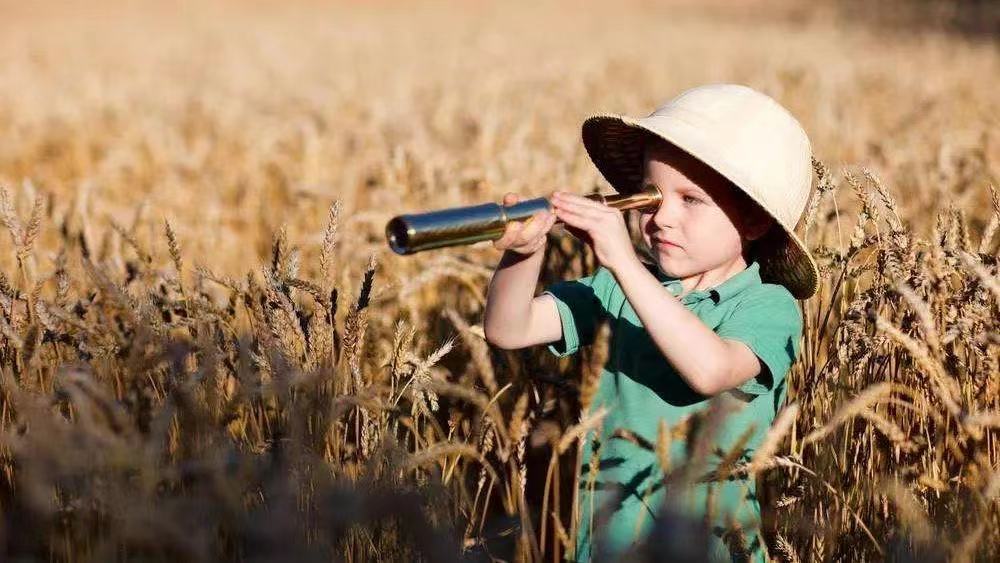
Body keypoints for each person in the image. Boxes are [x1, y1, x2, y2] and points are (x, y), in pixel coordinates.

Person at [483, 83, 819, 562]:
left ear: (753, 221)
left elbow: (710, 370)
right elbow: (507, 329)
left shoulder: (768, 306)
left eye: (691, 200)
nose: (661, 217)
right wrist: (524, 253)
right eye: (650, 196)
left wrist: (622, 261)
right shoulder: (613, 289)